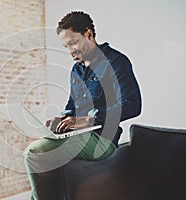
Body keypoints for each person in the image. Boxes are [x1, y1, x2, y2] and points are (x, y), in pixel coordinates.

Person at [23, 11, 141, 200]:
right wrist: (62, 118)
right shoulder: (76, 70)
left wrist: (86, 120)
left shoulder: (116, 62)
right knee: (42, 153)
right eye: (66, 46)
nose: (70, 51)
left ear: (88, 34)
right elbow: (72, 105)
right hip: (79, 134)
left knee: (34, 153)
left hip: (102, 139)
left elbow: (133, 105)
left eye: (73, 43)